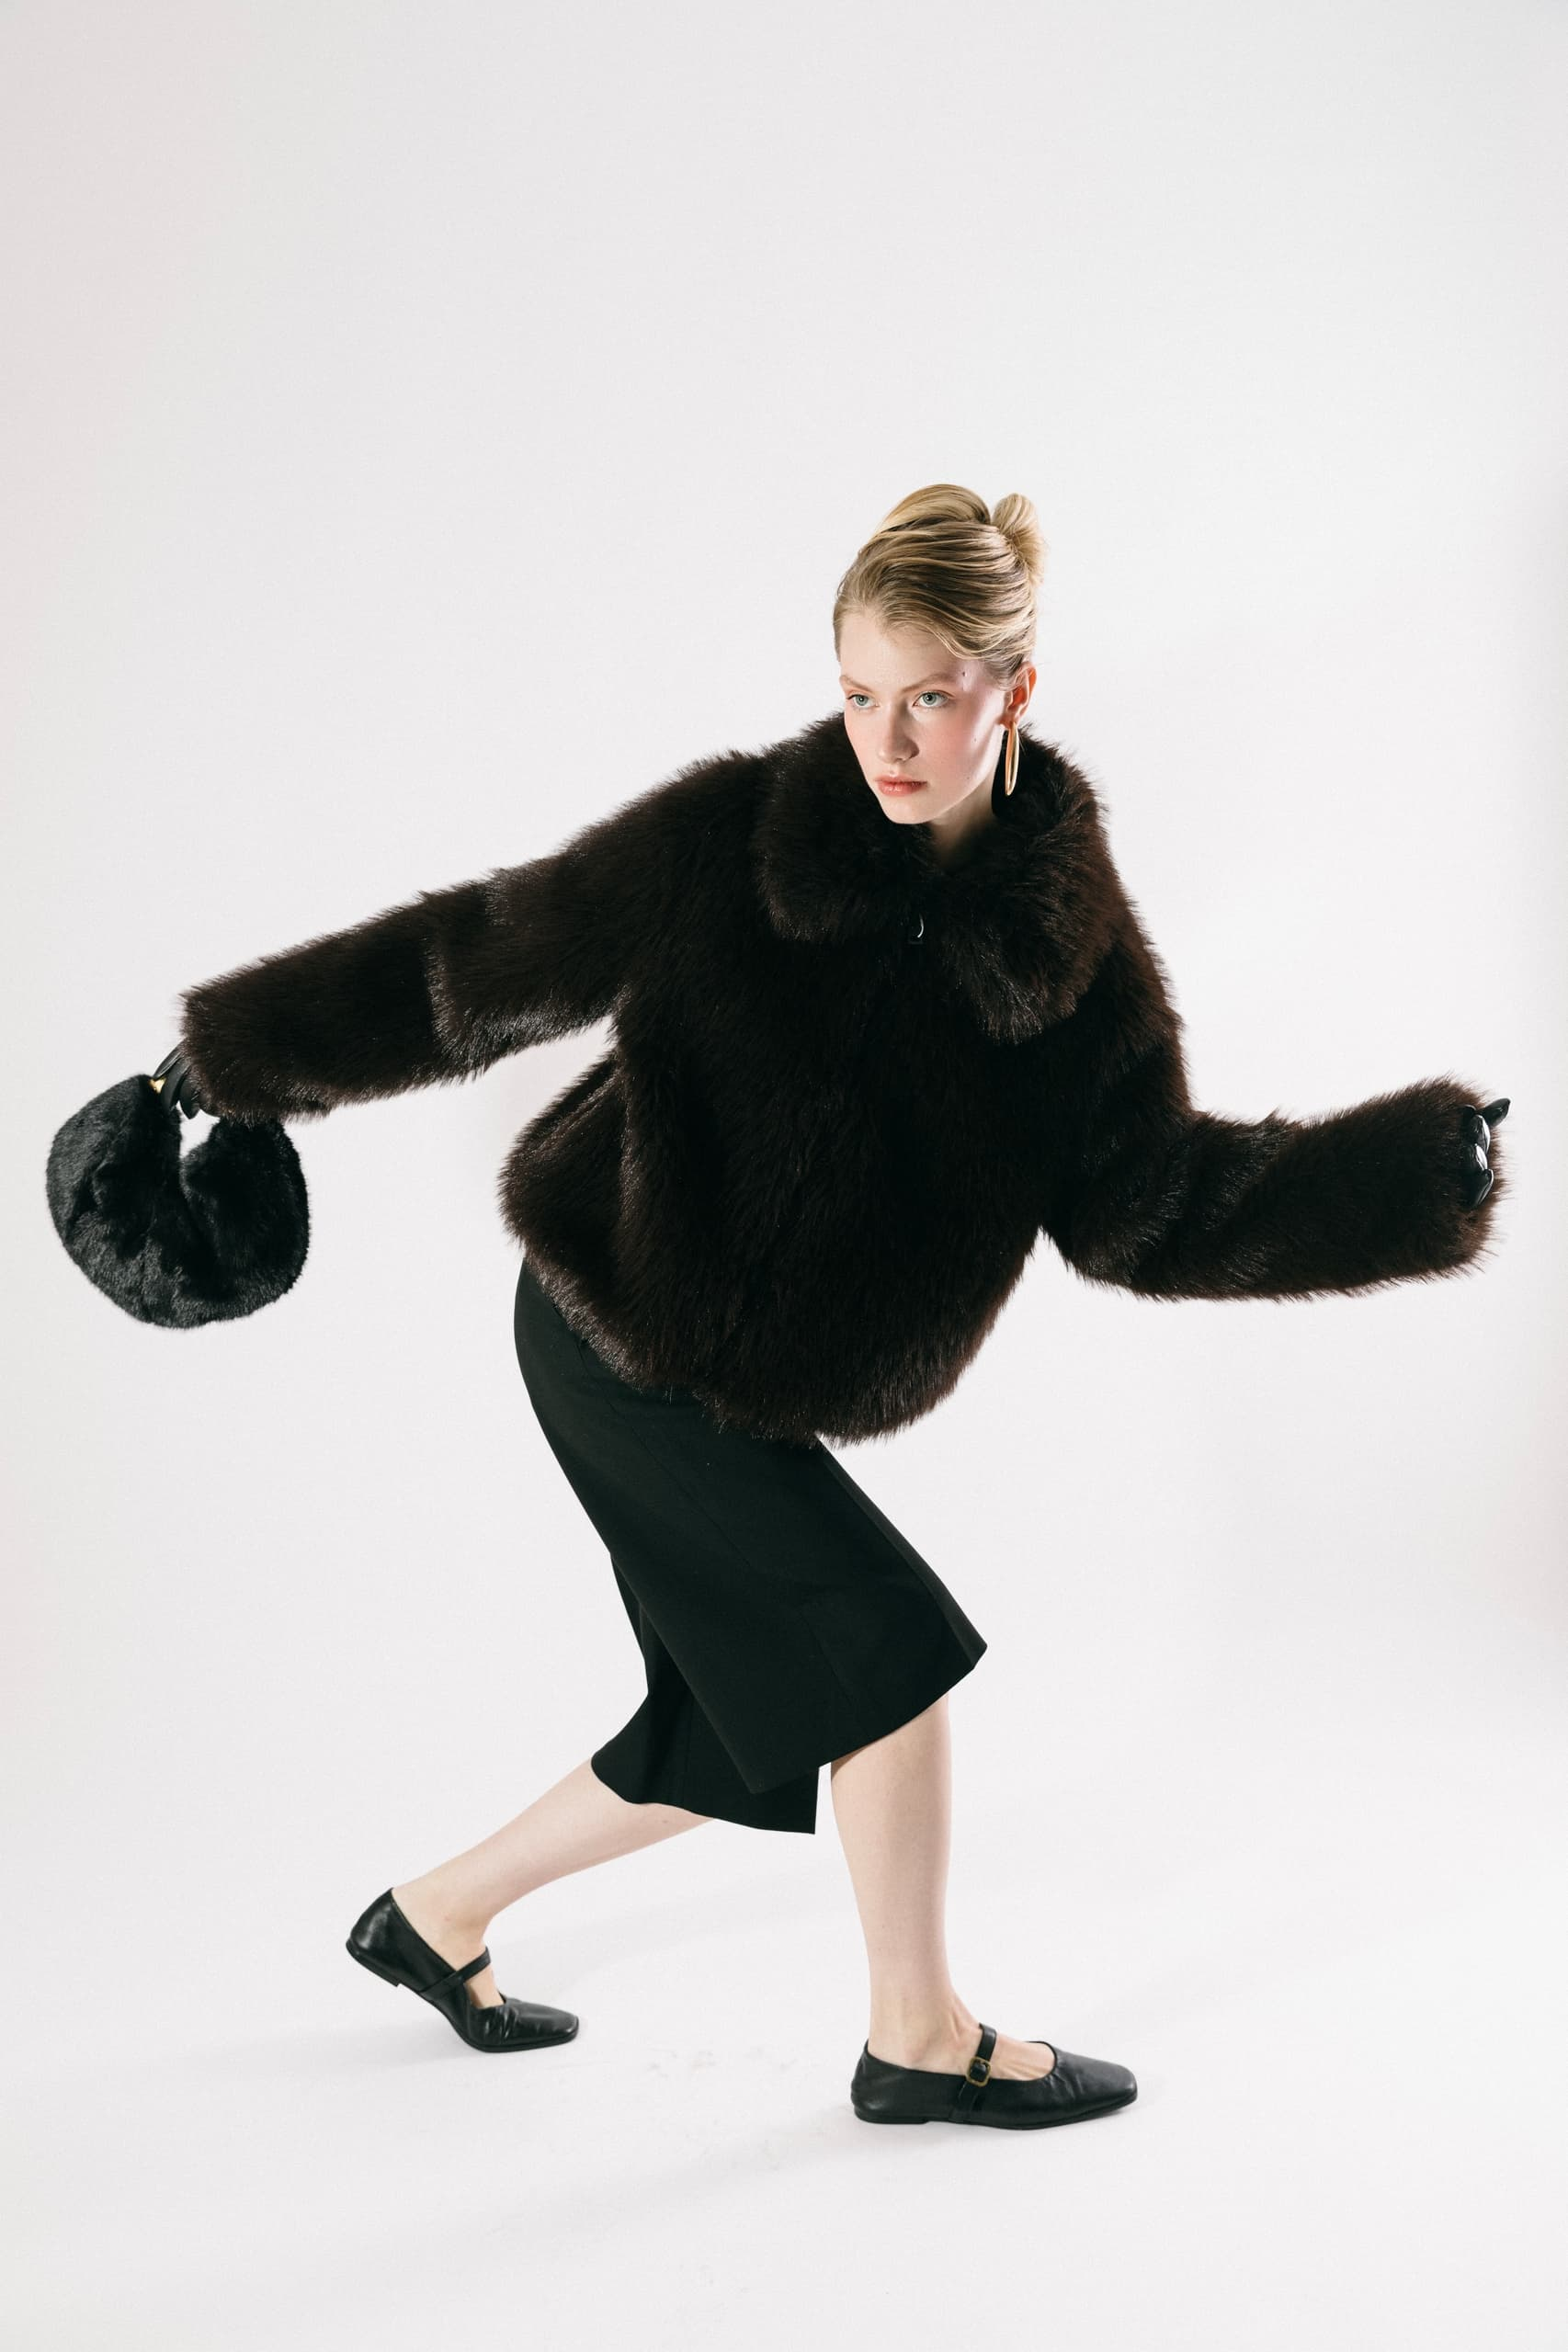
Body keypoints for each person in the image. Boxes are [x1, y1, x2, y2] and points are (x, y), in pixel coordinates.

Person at [151, 483, 1508, 2132]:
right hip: (612, 1325)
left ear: (1014, 692)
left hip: (744, 1386)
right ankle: (917, 2036)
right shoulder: (731, 835)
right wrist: (229, 1058)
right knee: (884, 1666)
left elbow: (1158, 1210)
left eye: (929, 694)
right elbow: (481, 956)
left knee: (728, 1734)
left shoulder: (1073, 976)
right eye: (860, 691)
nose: (888, 735)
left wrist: (1407, 1181)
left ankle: (431, 1920)